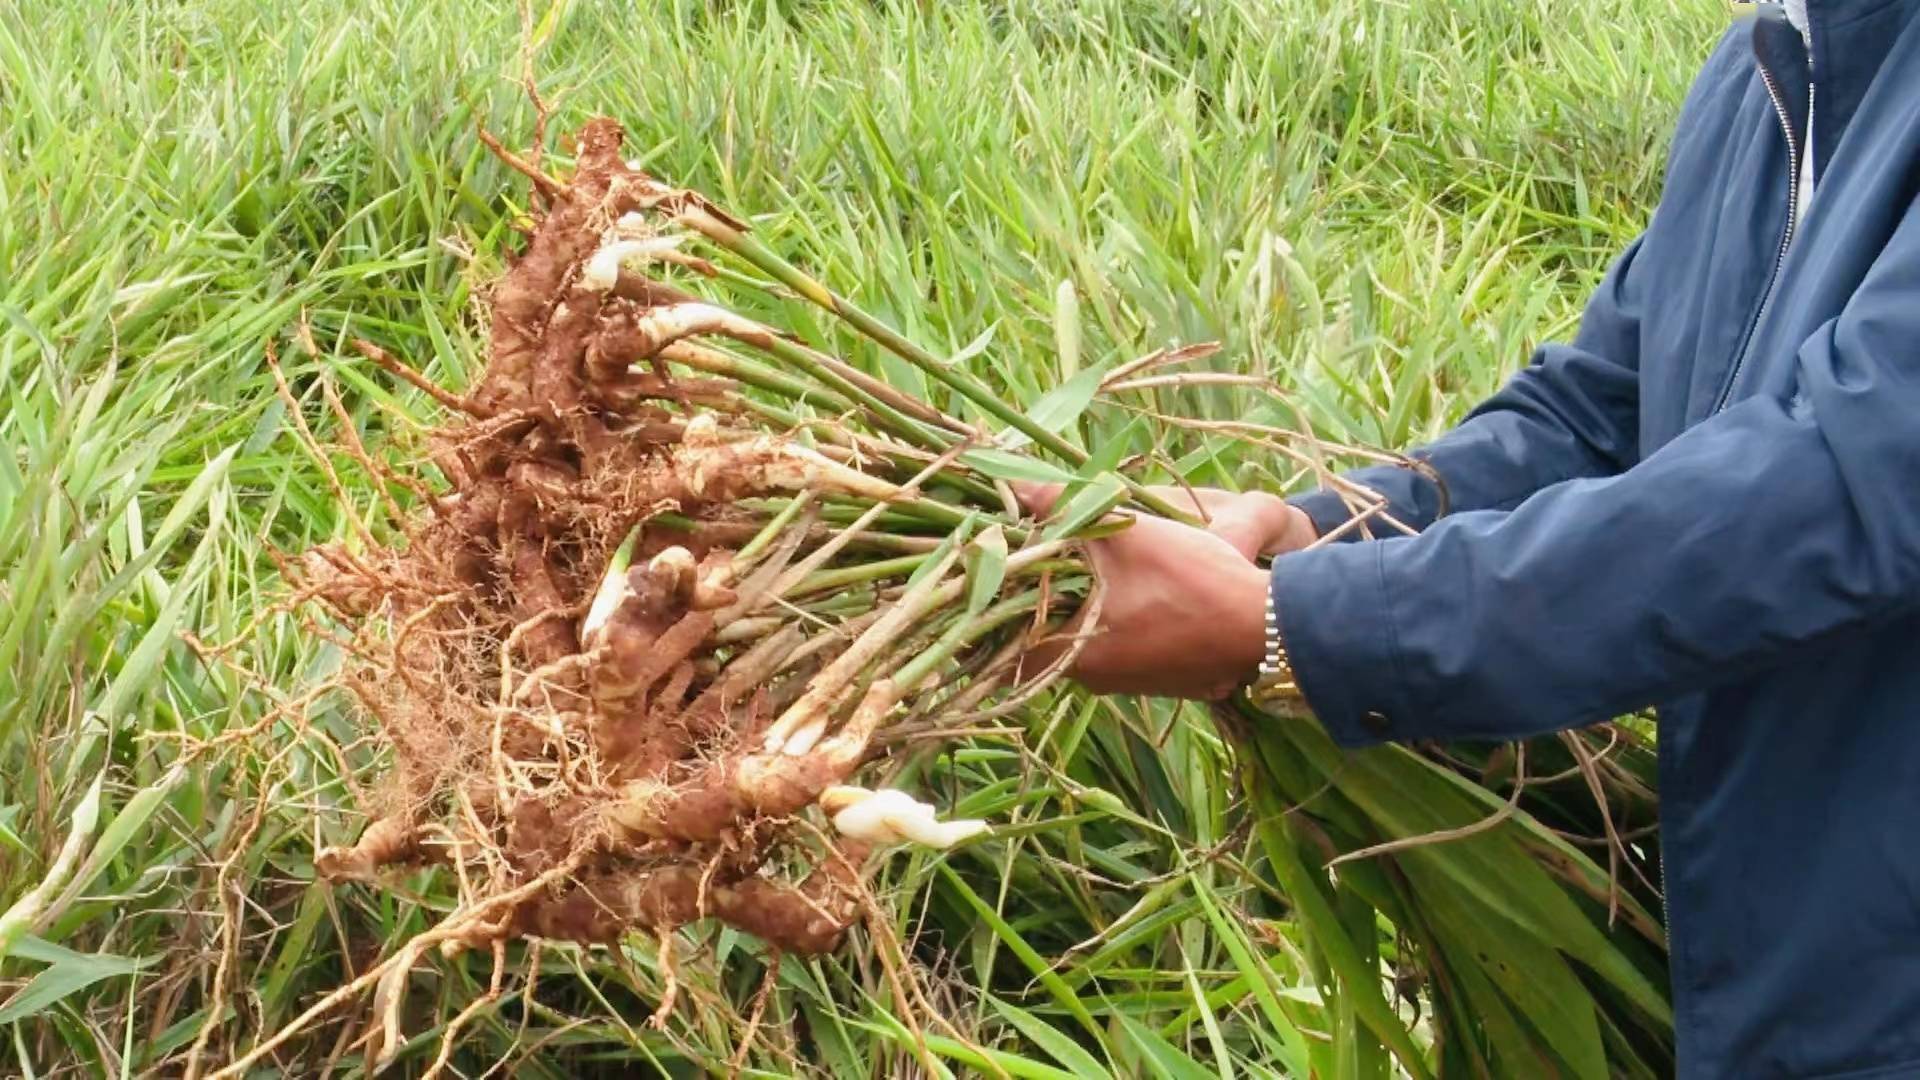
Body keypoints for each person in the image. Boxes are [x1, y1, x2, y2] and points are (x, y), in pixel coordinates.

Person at [1025, 3, 1920, 1077]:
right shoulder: (1780, 58)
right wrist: (1323, 529)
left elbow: (1838, 484)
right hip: (1775, 954)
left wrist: (1292, 629)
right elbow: (1598, 410)